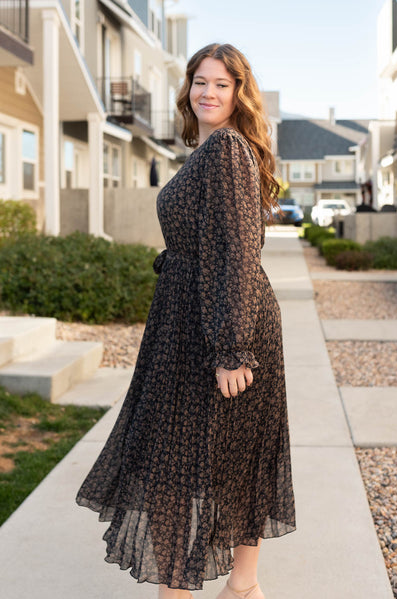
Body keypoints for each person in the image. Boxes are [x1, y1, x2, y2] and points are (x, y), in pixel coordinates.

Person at [76, 43, 296, 599]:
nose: (208, 92)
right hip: (194, 316)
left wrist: (232, 349)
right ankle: (242, 588)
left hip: (220, 325)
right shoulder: (214, 149)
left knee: (182, 465)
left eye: (222, 84)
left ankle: (183, 591)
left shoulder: (225, 149)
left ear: (239, 93)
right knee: (220, 458)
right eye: (200, 81)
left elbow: (239, 250)